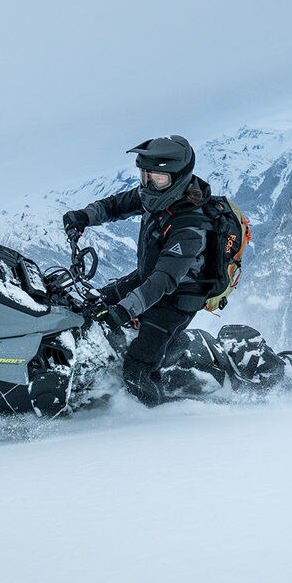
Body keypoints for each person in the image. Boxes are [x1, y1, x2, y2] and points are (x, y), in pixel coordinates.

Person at [62, 135, 213, 407]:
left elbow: (164, 281)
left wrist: (124, 309)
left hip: (174, 300)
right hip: (146, 279)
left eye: (158, 178)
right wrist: (84, 217)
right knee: (89, 307)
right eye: (145, 175)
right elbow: (115, 206)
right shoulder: (154, 196)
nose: (149, 184)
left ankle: (157, 420)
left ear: (178, 177)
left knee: (136, 371)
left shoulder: (190, 225)